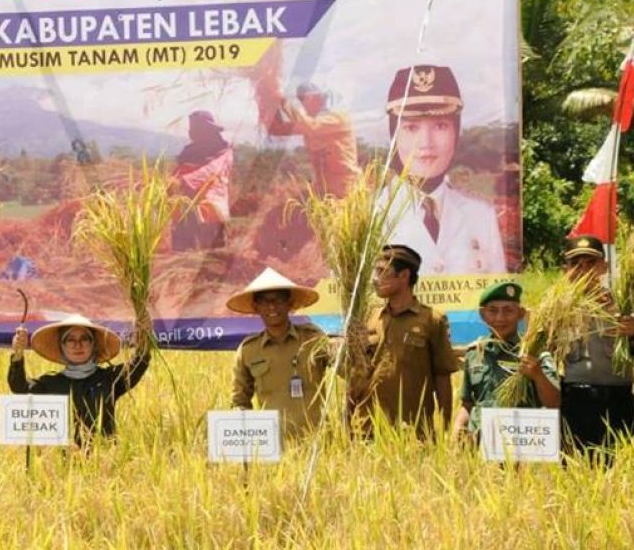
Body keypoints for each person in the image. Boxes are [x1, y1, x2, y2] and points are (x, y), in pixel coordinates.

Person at [381, 65, 506, 275]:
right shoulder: (371, 217)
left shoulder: (480, 215)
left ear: (456, 133)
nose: (426, 144)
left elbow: (498, 297)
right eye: (411, 128)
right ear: (394, 136)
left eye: (440, 126)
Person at [349, 244, 459, 437]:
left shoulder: (432, 320)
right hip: (366, 429)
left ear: (404, 276)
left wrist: (446, 427)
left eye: (383, 271)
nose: (376, 279)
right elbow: (355, 373)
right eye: (376, 271)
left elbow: (442, 376)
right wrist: (347, 421)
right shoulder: (368, 316)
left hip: (413, 431)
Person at [8, 314, 150, 446]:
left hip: (104, 462)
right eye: (70, 340)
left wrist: (143, 335)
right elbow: (20, 387)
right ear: (62, 346)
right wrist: (17, 355)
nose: (78, 345)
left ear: (93, 345)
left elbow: (139, 364)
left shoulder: (109, 379)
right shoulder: (50, 384)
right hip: (62, 465)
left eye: (84, 339)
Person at [227, 268, 329, 440]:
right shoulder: (248, 350)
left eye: (278, 300)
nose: (272, 306)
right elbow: (239, 403)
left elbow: (347, 371)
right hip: (272, 446)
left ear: (289, 303)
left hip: (318, 444)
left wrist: (347, 347)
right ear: (256, 307)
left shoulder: (312, 339)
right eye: (265, 301)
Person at [452, 281, 560, 440]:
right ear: (483, 315)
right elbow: (468, 404)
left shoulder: (535, 353)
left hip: (522, 444)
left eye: (508, 310)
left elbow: (554, 403)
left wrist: (538, 375)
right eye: (492, 311)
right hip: (480, 444)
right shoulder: (475, 353)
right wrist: (458, 428)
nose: (500, 318)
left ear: (521, 313)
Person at [557, 235, 634, 456]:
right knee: (576, 468)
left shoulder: (623, 307)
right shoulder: (556, 309)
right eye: (576, 264)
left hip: (618, 398)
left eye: (591, 263)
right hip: (575, 400)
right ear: (566, 270)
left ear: (604, 267)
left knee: (617, 466)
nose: (584, 270)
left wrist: (632, 333)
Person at [266, 81, 359, 197]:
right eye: (300, 99)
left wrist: (283, 100)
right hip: (322, 191)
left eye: (303, 98)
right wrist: (269, 102)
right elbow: (276, 129)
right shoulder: (310, 122)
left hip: (345, 191)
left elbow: (310, 126)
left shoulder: (338, 119)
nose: (302, 103)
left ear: (318, 97)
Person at [170, 110, 233, 251]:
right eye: (191, 128)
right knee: (181, 262)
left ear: (207, 129)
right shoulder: (188, 152)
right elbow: (176, 174)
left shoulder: (223, 151)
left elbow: (211, 171)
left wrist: (183, 181)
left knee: (213, 261)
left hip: (210, 213)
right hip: (183, 214)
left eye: (196, 128)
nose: (191, 132)